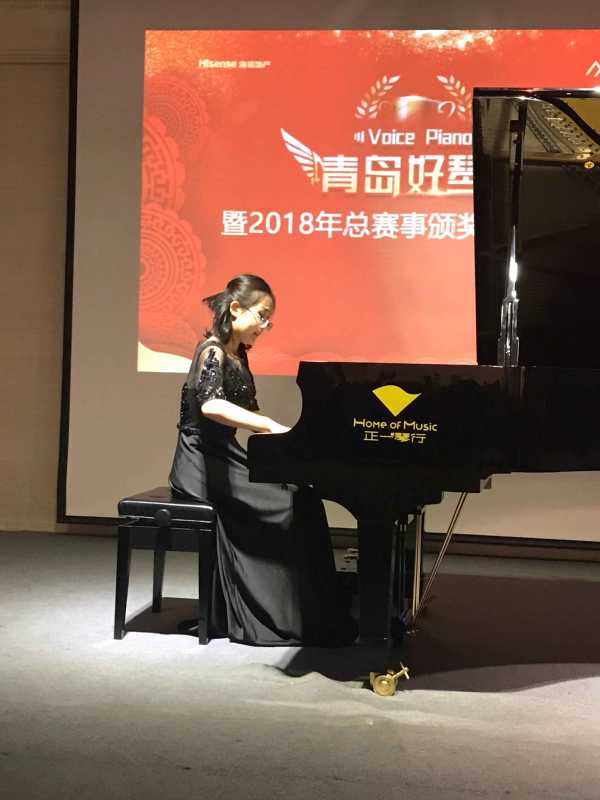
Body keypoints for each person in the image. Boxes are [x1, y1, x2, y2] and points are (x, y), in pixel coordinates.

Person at [169, 274, 354, 646]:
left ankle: (309, 608)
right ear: (237, 308)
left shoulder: (239, 355)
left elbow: (252, 414)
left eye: (269, 319)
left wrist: (289, 434)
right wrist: (267, 424)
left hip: (225, 457)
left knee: (303, 496)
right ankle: (282, 614)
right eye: (262, 316)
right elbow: (211, 406)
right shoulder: (211, 351)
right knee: (287, 505)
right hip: (200, 463)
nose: (265, 326)